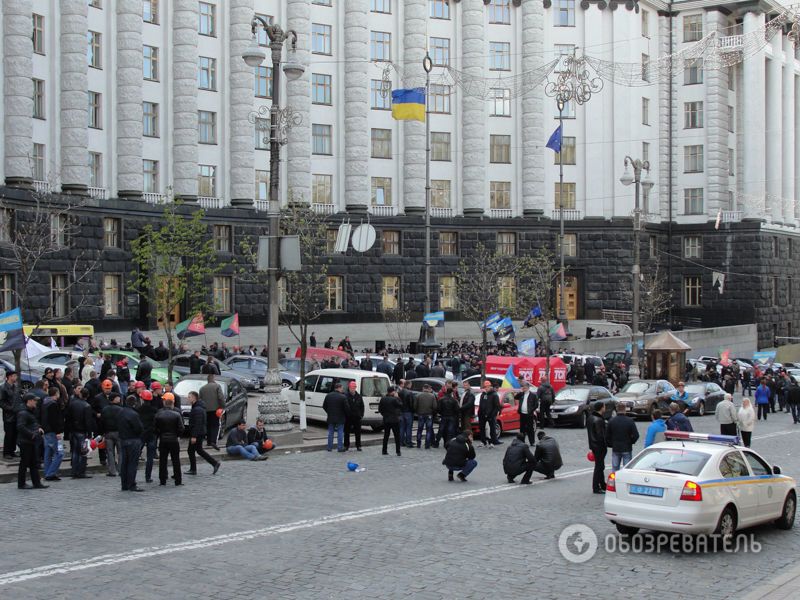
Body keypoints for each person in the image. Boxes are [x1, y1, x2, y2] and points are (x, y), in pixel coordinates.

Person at [185, 391, 221, 475]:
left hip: (197, 433)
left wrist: (194, 436)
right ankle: (214, 463)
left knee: (192, 450)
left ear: (194, 398)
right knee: (198, 450)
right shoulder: (197, 407)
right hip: (199, 432)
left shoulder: (197, 409)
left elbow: (198, 423)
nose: (188, 398)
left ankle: (194, 469)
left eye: (189, 397)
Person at [17, 394, 47, 489]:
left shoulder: (30, 411)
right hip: (26, 441)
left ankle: (36, 483)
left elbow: (32, 423)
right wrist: (32, 434)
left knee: (33, 463)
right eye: (34, 400)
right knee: (24, 463)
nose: (36, 402)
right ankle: (21, 484)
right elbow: (20, 426)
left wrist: (38, 428)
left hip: (31, 441)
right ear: (29, 401)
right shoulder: (23, 413)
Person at [154, 394, 184, 486]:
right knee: (176, 461)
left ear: (164, 404)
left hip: (163, 440)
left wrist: (160, 434)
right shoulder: (176, 414)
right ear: (172, 404)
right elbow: (181, 428)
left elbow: (155, 428)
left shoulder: (159, 414)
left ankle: (162, 480)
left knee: (163, 461)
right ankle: (178, 481)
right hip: (173, 440)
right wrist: (177, 435)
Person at [118, 396, 145, 492]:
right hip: (133, 440)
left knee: (124, 463)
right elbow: (139, 428)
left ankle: (124, 484)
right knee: (132, 463)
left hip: (123, 439)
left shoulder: (121, 412)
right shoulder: (134, 414)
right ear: (134, 403)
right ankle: (131, 484)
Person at [66, 388, 95, 479]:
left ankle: (74, 471)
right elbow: (88, 422)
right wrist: (89, 434)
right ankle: (81, 472)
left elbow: (68, 418)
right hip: (82, 432)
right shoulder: (87, 406)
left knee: (75, 452)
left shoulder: (72, 404)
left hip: (74, 431)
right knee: (83, 452)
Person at [606, 403, 639, 472]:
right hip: (627, 447)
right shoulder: (630, 421)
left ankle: (614, 481)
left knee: (615, 468)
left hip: (616, 447)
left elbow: (607, 435)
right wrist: (631, 442)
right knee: (627, 469)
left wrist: (611, 444)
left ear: (617, 409)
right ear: (625, 410)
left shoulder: (611, 421)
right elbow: (636, 435)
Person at [41, 386, 64, 481]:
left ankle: (47, 472)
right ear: (56, 393)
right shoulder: (53, 404)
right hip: (52, 432)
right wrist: (58, 432)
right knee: (59, 453)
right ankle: (50, 473)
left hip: (46, 431)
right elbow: (54, 420)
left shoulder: (44, 402)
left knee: (48, 453)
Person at [137, 390, 159, 482]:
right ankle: (148, 476)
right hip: (151, 434)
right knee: (150, 457)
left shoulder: (138, 410)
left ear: (142, 398)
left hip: (141, 435)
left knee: (136, 455)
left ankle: (132, 475)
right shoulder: (154, 410)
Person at [587, 401, 608, 494]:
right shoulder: (599, 420)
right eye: (604, 406)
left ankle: (602, 484)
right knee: (599, 467)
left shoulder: (590, 418)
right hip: (599, 446)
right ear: (601, 408)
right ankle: (596, 487)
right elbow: (601, 436)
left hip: (593, 445)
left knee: (600, 466)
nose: (605, 408)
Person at [200, 373, 225, 450]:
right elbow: (221, 397)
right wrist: (222, 407)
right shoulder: (217, 386)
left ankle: (208, 441)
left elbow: (200, 400)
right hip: (215, 410)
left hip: (205, 410)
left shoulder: (202, 388)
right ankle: (213, 441)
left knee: (208, 425)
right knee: (215, 426)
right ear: (213, 379)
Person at [100, 393, 123, 478]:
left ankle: (112, 470)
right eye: (118, 398)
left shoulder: (105, 409)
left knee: (110, 452)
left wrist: (102, 432)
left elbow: (101, 422)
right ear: (114, 399)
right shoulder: (120, 409)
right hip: (119, 432)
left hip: (108, 433)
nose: (119, 399)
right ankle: (121, 469)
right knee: (121, 452)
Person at [1, 370, 21, 458]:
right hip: (8, 415)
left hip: (17, 414)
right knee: (9, 434)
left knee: (15, 434)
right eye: (14, 376)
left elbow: (18, 399)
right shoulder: (3, 387)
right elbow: (1, 402)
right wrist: (10, 409)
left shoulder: (16, 387)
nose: (15, 378)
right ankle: (7, 452)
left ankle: (12, 451)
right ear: (9, 377)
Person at [323, 382, 348, 452]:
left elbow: (324, 406)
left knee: (330, 433)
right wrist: (346, 415)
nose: (342, 390)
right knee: (340, 432)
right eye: (342, 388)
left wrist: (329, 412)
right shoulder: (343, 397)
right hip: (341, 418)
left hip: (331, 417)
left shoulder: (328, 395)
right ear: (339, 388)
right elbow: (347, 408)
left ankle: (329, 447)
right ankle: (340, 447)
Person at [378, 386, 402, 456]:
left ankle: (384, 450)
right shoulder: (394, 399)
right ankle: (398, 451)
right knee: (397, 436)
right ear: (392, 392)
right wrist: (397, 397)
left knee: (386, 436)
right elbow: (400, 405)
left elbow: (380, 410)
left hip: (386, 420)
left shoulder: (383, 399)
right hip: (394, 420)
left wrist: (385, 415)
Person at [477, 381, 501, 447]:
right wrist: (479, 413)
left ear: (490, 386)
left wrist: (492, 414)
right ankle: (483, 442)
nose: (486, 388)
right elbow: (481, 404)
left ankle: (492, 442)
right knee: (482, 428)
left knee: (492, 429)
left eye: (487, 387)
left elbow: (497, 407)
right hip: (482, 414)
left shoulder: (494, 395)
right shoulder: (483, 394)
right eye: (485, 387)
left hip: (490, 415)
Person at [413, 383, 437, 449]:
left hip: (420, 414)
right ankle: (427, 445)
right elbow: (435, 407)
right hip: (429, 414)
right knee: (428, 430)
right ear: (428, 388)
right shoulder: (432, 396)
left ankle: (418, 444)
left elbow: (414, 406)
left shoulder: (418, 395)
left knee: (419, 430)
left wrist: (417, 411)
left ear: (423, 388)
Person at [515, 381, 538, 446]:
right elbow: (516, 397)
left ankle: (532, 442)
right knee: (522, 429)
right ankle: (522, 441)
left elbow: (536, 405)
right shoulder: (522, 394)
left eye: (525, 388)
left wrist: (531, 410)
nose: (523, 389)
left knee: (530, 429)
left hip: (529, 414)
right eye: (523, 388)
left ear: (528, 388)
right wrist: (521, 392)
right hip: (522, 414)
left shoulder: (533, 395)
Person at [344, 381, 364, 451]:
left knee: (358, 432)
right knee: (347, 432)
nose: (352, 389)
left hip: (357, 417)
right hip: (348, 417)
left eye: (354, 388)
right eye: (351, 388)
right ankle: (346, 445)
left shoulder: (359, 396)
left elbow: (362, 407)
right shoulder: (345, 396)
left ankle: (358, 445)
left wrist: (361, 415)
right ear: (349, 388)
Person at [398, 380, 414, 448]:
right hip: (408, 412)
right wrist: (413, 410)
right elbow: (411, 403)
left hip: (401, 411)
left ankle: (401, 442)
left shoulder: (400, 392)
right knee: (408, 428)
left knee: (402, 428)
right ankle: (408, 442)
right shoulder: (409, 393)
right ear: (408, 385)